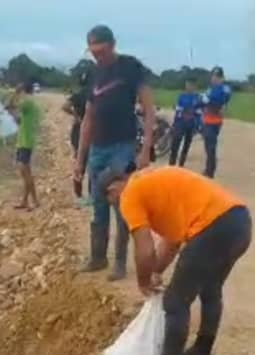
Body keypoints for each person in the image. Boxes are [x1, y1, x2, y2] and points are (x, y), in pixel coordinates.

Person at [99, 165, 252, 355]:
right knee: (211, 288)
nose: (116, 207)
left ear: (114, 187)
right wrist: (156, 271)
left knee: (175, 303)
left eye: (111, 200)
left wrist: (143, 281)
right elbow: (171, 242)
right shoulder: (152, 182)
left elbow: (144, 247)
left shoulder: (130, 194)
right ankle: (202, 351)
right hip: (239, 222)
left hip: (213, 228)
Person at [73, 25, 156, 281]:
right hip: (98, 148)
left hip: (123, 146)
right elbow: (88, 119)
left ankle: (120, 263)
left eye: (102, 51)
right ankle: (98, 257)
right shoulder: (93, 74)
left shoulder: (130, 67)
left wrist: (145, 151)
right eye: (94, 52)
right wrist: (80, 161)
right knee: (98, 203)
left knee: (122, 203)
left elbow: (149, 109)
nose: (99, 56)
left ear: (113, 44)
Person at [6, 81, 41, 210]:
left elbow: (9, 106)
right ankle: (25, 201)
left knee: (25, 173)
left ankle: (35, 201)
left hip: (25, 142)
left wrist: (15, 92)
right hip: (26, 140)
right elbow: (21, 120)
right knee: (26, 172)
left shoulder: (27, 102)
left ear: (24, 90)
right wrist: (15, 116)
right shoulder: (32, 104)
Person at [63, 71, 92, 198]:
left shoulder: (77, 95)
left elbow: (65, 106)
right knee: (93, 165)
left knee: (79, 161)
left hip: (78, 129)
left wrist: (76, 116)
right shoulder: (94, 95)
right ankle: (92, 195)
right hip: (93, 131)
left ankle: (78, 194)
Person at [200, 66, 232, 178]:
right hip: (207, 119)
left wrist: (208, 100)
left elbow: (220, 100)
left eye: (217, 77)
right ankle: (209, 167)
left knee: (211, 146)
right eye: (213, 76)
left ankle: (210, 171)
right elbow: (204, 101)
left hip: (215, 121)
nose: (214, 79)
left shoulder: (224, 89)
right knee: (208, 146)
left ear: (222, 78)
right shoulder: (211, 88)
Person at [169, 78, 203, 167]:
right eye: (186, 85)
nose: (188, 87)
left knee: (186, 146)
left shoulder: (198, 97)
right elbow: (178, 111)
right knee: (175, 145)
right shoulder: (182, 96)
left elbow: (199, 113)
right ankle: (171, 165)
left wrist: (198, 126)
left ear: (194, 86)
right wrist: (174, 123)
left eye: (190, 85)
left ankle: (181, 165)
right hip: (180, 124)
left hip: (191, 124)